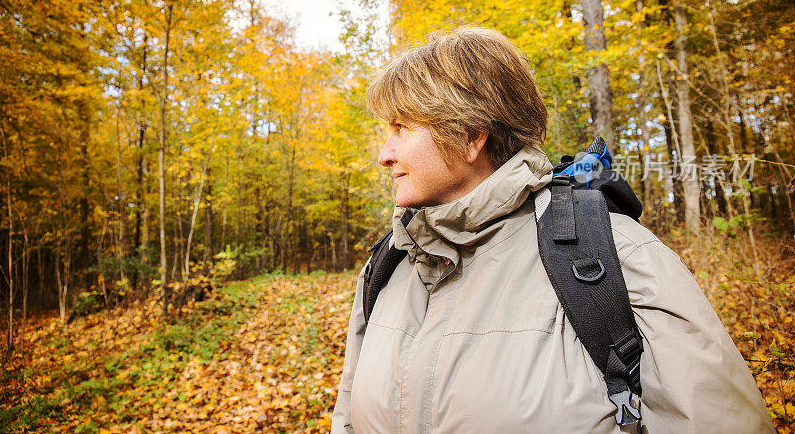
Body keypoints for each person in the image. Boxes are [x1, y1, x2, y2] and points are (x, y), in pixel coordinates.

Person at [331, 26, 773, 433]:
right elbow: (348, 419)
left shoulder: (616, 255)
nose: (384, 154)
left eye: (401, 129)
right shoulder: (388, 266)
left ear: (469, 136)